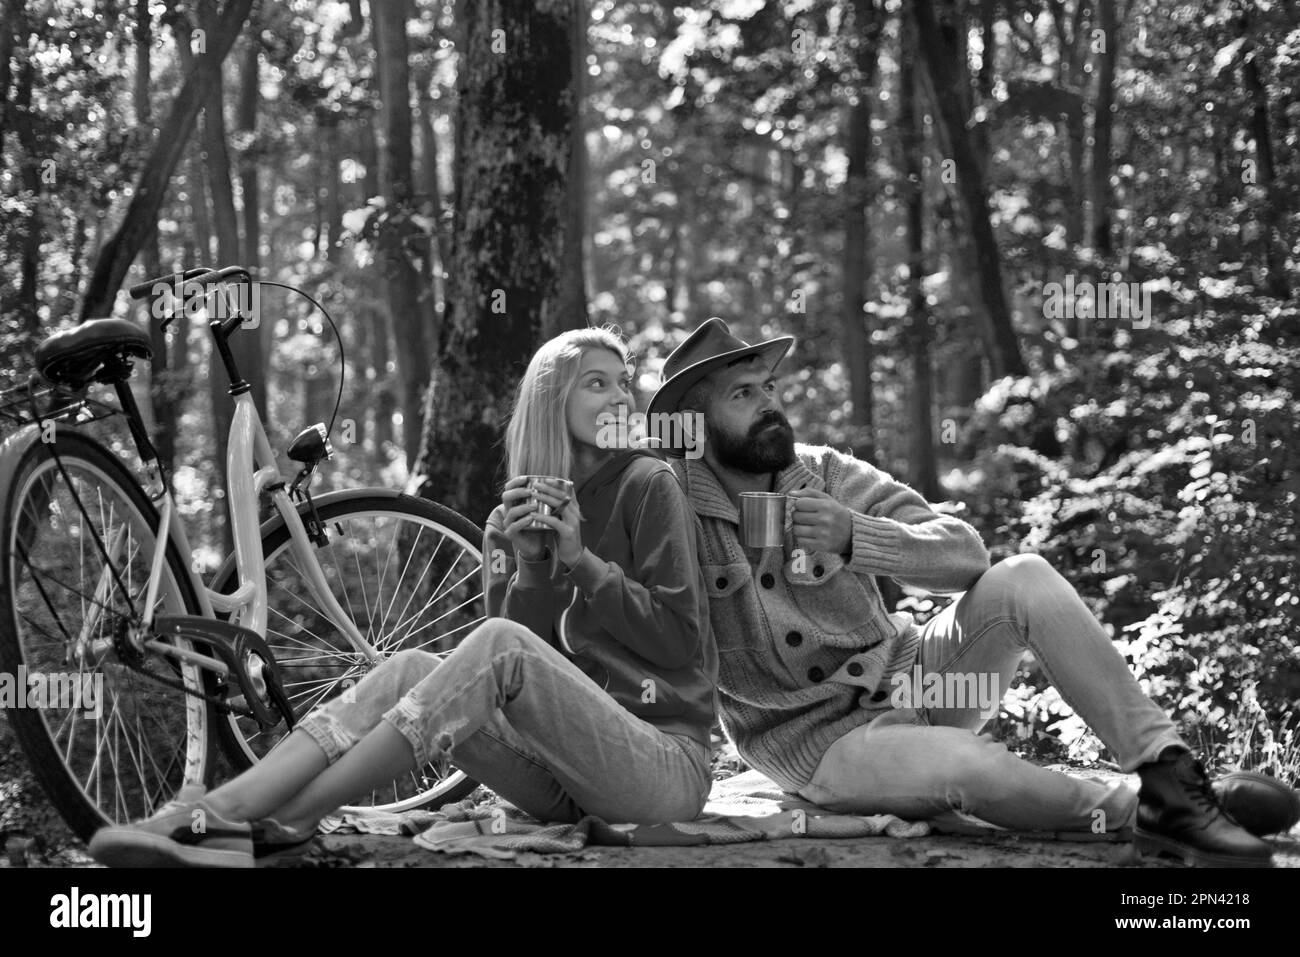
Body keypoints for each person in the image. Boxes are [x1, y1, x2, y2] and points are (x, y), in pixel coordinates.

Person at [644, 317, 1277, 868]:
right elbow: (644, 623)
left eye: (770, 388)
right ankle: (1152, 809)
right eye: (743, 393)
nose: (769, 404)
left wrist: (856, 536)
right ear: (693, 425)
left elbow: (964, 554)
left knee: (1022, 575)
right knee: (964, 766)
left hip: (918, 679)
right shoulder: (669, 506)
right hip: (820, 749)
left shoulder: (826, 473)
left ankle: (1167, 768)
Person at [89, 326, 718, 867]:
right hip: (560, 778)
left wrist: (580, 562)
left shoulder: (647, 484)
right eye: (597, 382)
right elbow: (508, 688)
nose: (620, 396)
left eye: (622, 381)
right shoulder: (512, 520)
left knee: (496, 644)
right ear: (551, 400)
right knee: (408, 668)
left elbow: (678, 640)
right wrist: (532, 567)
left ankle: (255, 819)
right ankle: (243, 817)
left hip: (660, 767)